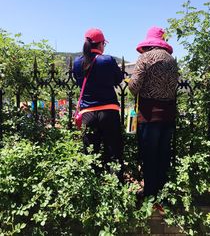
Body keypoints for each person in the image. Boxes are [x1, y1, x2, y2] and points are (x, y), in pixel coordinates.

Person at [128, 26, 179, 197]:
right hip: (169, 114)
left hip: (149, 115)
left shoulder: (145, 58)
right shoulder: (172, 60)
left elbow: (134, 88)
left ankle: (150, 192)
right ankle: (163, 192)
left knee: (149, 155)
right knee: (163, 155)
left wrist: (129, 81)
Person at [73, 28, 124, 180]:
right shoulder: (107, 60)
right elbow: (118, 79)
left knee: (90, 155)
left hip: (87, 113)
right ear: (101, 44)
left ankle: (92, 190)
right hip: (109, 111)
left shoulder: (77, 63)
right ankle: (115, 189)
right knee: (114, 152)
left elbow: (78, 82)